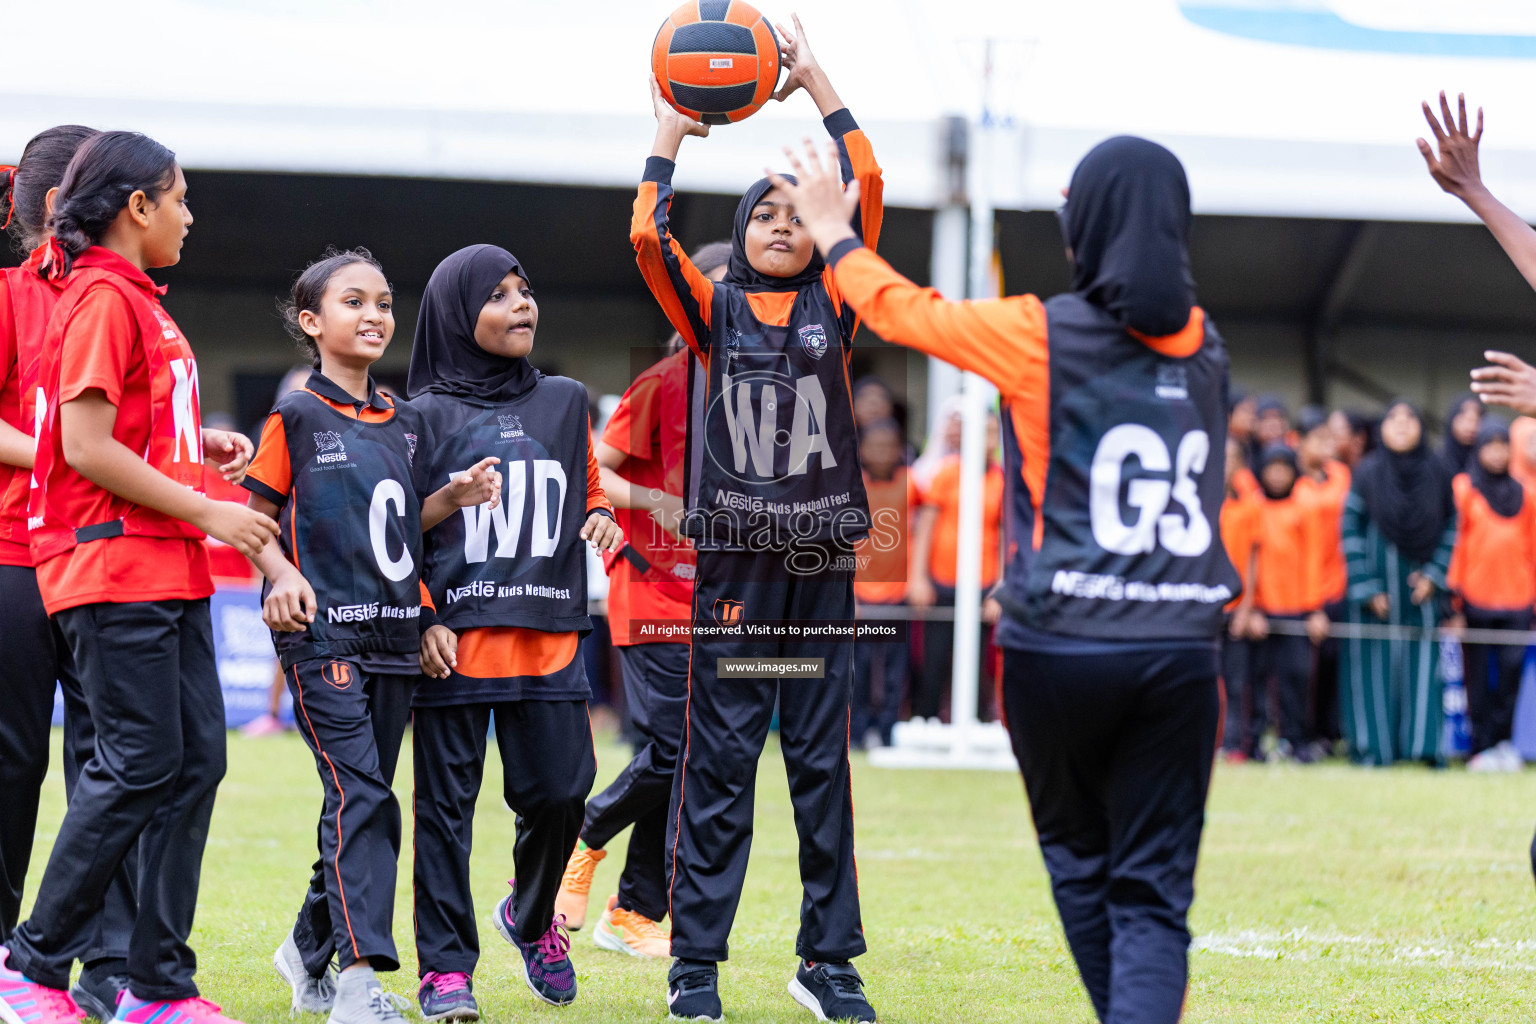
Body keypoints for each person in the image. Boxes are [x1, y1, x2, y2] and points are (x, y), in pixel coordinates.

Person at [774, 132, 1238, 1024]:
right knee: (1152, 893)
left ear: (1084, 228)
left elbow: (907, 312)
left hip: (1055, 643)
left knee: (1075, 855)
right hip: (1178, 648)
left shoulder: (1039, 332)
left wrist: (835, 232)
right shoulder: (1207, 350)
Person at [630, 15, 883, 1021]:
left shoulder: (844, 300)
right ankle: (696, 965)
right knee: (722, 763)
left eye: (794, 211)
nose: (782, 221)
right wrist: (670, 133)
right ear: (738, 235)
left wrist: (816, 78)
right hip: (737, 564)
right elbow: (648, 232)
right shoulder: (713, 311)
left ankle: (828, 961)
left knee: (822, 765)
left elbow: (863, 182)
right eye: (763, 212)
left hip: (821, 562)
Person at [0, 130, 277, 1024]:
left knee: (192, 763)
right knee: (136, 763)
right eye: (182, 198)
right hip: (113, 566)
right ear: (137, 207)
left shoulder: (142, 301)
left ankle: (155, 986)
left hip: (170, 571)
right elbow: (80, 445)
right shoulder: (102, 299)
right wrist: (209, 512)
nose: (192, 217)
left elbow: (135, 438)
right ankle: (32, 967)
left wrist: (203, 461)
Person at [242, 249, 500, 1024]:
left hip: (394, 638)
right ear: (313, 323)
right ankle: (359, 985)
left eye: (384, 302)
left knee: (364, 802)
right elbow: (254, 521)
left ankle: (305, 946)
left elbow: (396, 532)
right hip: (322, 640)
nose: (375, 315)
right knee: (362, 796)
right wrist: (280, 572)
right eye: (354, 302)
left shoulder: (406, 422)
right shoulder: (294, 416)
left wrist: (448, 503)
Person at [407, 244, 619, 1016]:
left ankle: (530, 922)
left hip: (547, 634)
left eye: (525, 289)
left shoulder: (566, 401)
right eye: (497, 295)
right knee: (445, 815)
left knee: (563, 794)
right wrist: (424, 614)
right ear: (459, 318)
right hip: (454, 643)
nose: (521, 303)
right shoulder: (421, 415)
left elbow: (588, 487)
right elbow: (405, 532)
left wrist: (597, 516)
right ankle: (446, 971)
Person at [0, 123, 147, 1022]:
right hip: (15, 554)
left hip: (102, 560)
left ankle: (111, 963)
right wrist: (65, 452)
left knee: (116, 760)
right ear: (62, 204)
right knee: (13, 761)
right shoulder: (12, 296)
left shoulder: (116, 297)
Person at [552, 240, 729, 957]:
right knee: (678, 749)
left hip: (718, 603)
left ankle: (633, 913)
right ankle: (583, 838)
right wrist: (655, 499)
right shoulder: (664, 380)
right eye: (711, 291)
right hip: (653, 589)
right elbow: (592, 464)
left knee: (687, 759)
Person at [1339, 400, 1457, 766]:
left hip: (1420, 592)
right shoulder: (1368, 472)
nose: (1402, 425)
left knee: (1422, 669)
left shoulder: (1438, 471)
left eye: (1411, 418)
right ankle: (1374, 748)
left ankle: (1422, 748)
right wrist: (1367, 586)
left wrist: (1435, 576)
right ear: (1381, 429)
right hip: (1377, 595)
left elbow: (1453, 527)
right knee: (1372, 671)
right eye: (1393, 418)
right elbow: (1350, 530)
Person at [1447, 420, 1534, 771]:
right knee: (1480, 678)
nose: (1497, 453)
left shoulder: (1526, 492)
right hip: (1476, 599)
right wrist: (1453, 600)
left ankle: (1504, 743)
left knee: (1511, 679)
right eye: (1490, 445)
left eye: (1503, 446)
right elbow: (1456, 544)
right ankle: (1480, 746)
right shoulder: (1464, 488)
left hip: (1518, 599)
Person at [907, 411, 1004, 722]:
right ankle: (926, 720)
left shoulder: (1001, 479)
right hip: (942, 580)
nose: (987, 440)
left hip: (983, 582)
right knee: (933, 658)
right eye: (982, 432)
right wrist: (918, 577)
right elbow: (925, 529)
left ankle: (973, 722)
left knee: (976, 662)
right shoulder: (946, 474)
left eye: (992, 433)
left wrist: (1001, 587)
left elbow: (1004, 536)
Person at [1245, 445, 1325, 762]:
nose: (1278, 475)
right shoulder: (1253, 508)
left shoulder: (1304, 508)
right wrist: (1250, 608)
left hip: (1296, 610)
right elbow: (1246, 561)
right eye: (1271, 467)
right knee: (1257, 680)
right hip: (1261, 613)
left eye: (1284, 468)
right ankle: (1254, 742)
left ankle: (1296, 740)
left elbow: (1313, 560)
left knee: (1297, 678)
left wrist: (1314, 608)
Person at [851, 417, 916, 747]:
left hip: (898, 594)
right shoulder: (852, 485)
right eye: (874, 446)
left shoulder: (911, 483)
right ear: (862, 450)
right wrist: (849, 594)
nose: (881, 452)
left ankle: (889, 730)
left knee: (894, 670)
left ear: (898, 451)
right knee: (858, 670)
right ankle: (858, 732)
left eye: (888, 447)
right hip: (861, 595)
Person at [1294, 405, 1350, 752]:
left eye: (1330, 438)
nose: (1327, 445)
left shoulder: (1342, 476)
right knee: (1303, 671)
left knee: (1333, 665)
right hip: (1301, 590)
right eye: (1319, 439)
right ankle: (1304, 733)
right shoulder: (1288, 483)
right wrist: (1310, 603)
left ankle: (1329, 734)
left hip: (1338, 584)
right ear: (1299, 442)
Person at [1219, 437, 1261, 761]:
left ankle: (1234, 744)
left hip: (1234, 609)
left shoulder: (1249, 506)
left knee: (1236, 681)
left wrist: (1246, 608)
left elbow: (1252, 560)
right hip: (1198, 607)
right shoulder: (1193, 501)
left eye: (1232, 457)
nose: (1225, 463)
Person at [1438, 393, 1483, 479]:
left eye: (1476, 420)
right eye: (1463, 419)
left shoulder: (1488, 461)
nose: (1471, 427)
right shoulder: (1437, 461)